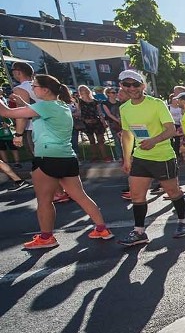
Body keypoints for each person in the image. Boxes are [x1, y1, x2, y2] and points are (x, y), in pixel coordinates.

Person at [2, 74, 112, 249]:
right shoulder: (61, 105)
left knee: (44, 201)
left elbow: (6, 112)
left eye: (35, 86)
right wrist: (23, 103)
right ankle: (102, 228)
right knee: (81, 196)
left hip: (47, 157)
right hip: (67, 157)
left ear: (45, 90)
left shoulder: (45, 106)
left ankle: (46, 238)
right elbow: (38, 111)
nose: (33, 88)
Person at [116, 69, 185, 245]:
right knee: (136, 195)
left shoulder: (156, 104)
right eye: (127, 84)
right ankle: (139, 231)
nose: (131, 88)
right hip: (140, 157)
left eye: (135, 84)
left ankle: (182, 222)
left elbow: (171, 130)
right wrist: (127, 158)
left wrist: (154, 141)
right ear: (122, 86)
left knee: (173, 192)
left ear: (143, 85)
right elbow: (127, 134)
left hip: (162, 156)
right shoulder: (124, 108)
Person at [77, 85, 110, 162]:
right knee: (91, 140)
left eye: (85, 90)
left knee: (100, 140)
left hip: (96, 121)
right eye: (81, 90)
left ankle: (104, 156)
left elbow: (99, 112)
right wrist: (84, 120)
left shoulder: (95, 101)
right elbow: (79, 112)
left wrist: (103, 121)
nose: (83, 91)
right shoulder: (79, 102)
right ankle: (94, 156)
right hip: (86, 122)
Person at [10, 62, 36, 155]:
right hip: (51, 124)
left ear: (18, 72)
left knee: (40, 159)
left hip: (33, 127)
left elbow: (22, 113)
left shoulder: (20, 89)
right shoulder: (41, 86)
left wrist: (18, 134)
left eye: (12, 71)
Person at [100, 87, 124, 161]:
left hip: (122, 122)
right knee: (117, 140)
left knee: (123, 139)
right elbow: (109, 114)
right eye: (113, 93)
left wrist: (121, 120)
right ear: (108, 94)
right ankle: (119, 156)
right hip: (113, 123)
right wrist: (117, 120)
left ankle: (125, 155)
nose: (115, 94)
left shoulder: (119, 103)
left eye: (115, 92)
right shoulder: (105, 103)